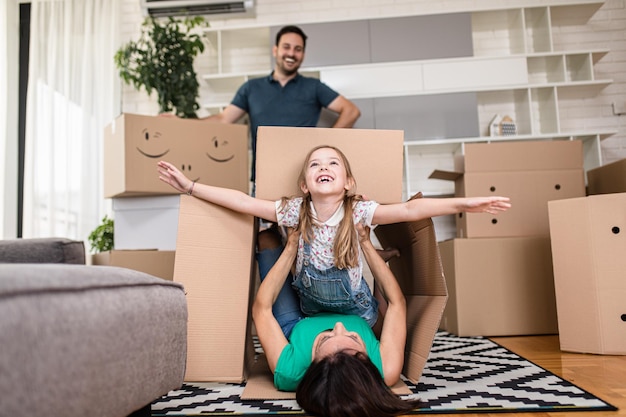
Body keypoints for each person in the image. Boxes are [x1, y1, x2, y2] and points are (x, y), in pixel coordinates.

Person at [157, 144, 511, 328]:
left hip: (358, 311)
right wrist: (190, 187)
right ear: (304, 185)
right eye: (315, 164)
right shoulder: (295, 211)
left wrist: (466, 203)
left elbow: (408, 210)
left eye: (332, 163)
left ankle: (376, 262)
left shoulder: (358, 211)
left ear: (348, 183)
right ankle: (375, 254)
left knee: (383, 311)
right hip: (311, 311)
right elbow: (243, 201)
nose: (323, 167)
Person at [253, 222, 421, 417]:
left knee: (265, 239)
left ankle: (277, 233)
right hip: (356, 312)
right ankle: (380, 263)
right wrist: (366, 244)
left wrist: (291, 247)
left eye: (324, 338)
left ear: (311, 365)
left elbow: (261, 309)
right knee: (383, 325)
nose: (339, 326)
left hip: (298, 322)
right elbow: (397, 303)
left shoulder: (289, 372)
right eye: (354, 338)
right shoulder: (386, 369)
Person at [204, 25, 361, 181]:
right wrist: (183, 123)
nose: (291, 53)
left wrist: (325, 145)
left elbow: (351, 111)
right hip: (263, 178)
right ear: (275, 50)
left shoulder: (314, 87)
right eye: (286, 47)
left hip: (303, 179)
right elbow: (223, 119)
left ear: (303, 54)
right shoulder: (251, 88)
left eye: (298, 49)